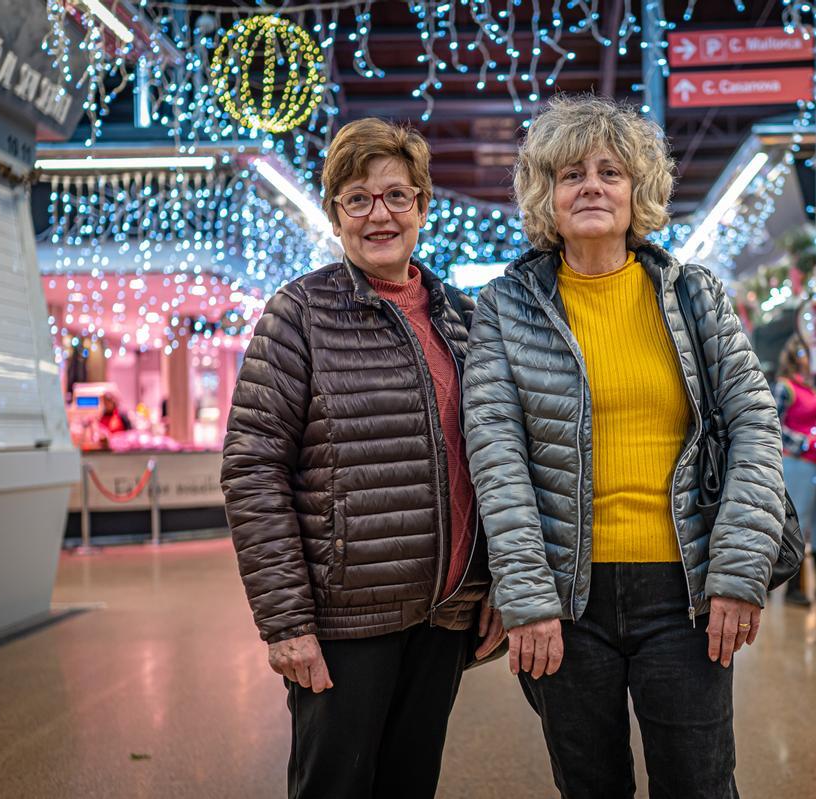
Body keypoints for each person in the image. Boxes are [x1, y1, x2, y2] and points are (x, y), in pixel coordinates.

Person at [462, 95, 786, 799]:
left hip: (685, 588)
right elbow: (497, 458)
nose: (591, 186)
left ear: (638, 189)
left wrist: (738, 569)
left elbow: (757, 423)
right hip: (565, 597)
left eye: (611, 171)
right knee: (589, 783)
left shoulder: (693, 296)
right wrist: (525, 596)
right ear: (545, 193)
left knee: (699, 782)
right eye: (571, 173)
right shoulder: (505, 307)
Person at [220, 118, 504, 799]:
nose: (380, 213)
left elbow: (496, 458)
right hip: (345, 621)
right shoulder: (300, 314)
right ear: (335, 213)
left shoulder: (463, 319)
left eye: (397, 196)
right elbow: (252, 467)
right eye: (358, 198)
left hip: (443, 616)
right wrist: (287, 621)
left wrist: (495, 581)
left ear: (422, 207)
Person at [774, 336, 816, 606]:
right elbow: (774, 425)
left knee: (814, 525)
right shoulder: (785, 387)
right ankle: (793, 588)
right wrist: (804, 443)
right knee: (797, 524)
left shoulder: (813, 386)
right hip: (796, 462)